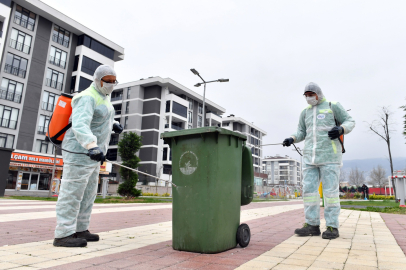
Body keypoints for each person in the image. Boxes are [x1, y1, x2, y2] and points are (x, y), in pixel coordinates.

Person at [53, 65, 123, 247]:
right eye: (107, 81)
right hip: (80, 152)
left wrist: (113, 124)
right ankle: (63, 234)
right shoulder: (86, 97)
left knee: (88, 194)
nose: (110, 85)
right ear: (98, 80)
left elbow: (99, 117)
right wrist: (92, 146)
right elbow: (80, 124)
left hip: (93, 155)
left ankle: (80, 228)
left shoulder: (103, 97)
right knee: (72, 193)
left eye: (113, 81)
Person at [283, 82, 355, 240]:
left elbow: (350, 121)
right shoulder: (305, 112)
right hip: (309, 158)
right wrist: (292, 138)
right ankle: (312, 225)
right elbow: (301, 131)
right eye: (306, 95)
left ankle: (332, 226)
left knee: (330, 193)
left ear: (318, 94)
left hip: (330, 157)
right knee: (309, 192)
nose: (309, 98)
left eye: (311, 94)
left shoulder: (332, 106)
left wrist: (341, 129)